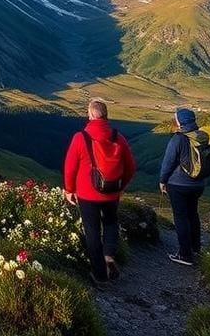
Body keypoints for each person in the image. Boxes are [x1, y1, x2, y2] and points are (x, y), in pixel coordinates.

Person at [63, 98, 137, 285]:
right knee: (111, 223)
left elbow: (70, 167)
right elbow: (130, 167)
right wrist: (120, 186)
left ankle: (99, 274)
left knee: (92, 231)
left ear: (90, 115)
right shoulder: (117, 137)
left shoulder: (80, 137)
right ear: (106, 115)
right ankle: (109, 257)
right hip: (112, 192)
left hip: (87, 194)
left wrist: (69, 189)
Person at [159, 107, 210, 266]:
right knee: (193, 214)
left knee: (181, 218)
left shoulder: (178, 138)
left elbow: (168, 162)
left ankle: (185, 255)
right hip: (199, 184)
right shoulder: (202, 137)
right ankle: (195, 248)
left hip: (178, 184)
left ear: (179, 121)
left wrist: (163, 180)